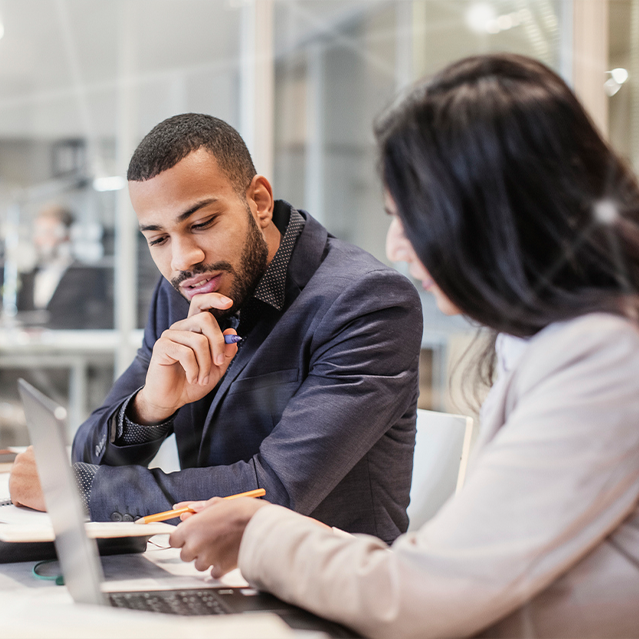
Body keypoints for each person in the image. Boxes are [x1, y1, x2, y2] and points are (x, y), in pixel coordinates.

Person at [168, 54, 639, 638]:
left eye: (410, 215)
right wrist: (147, 413)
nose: (396, 244)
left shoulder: (607, 360)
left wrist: (259, 531)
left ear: (492, 213)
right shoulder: (554, 343)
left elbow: (422, 599)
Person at [9, 114, 422, 542]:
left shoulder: (367, 301)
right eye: (159, 238)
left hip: (325, 589)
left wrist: (75, 490)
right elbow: (90, 455)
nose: (182, 258)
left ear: (259, 202)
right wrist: (151, 407)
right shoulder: (183, 291)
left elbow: (271, 493)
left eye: (202, 223)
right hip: (202, 566)